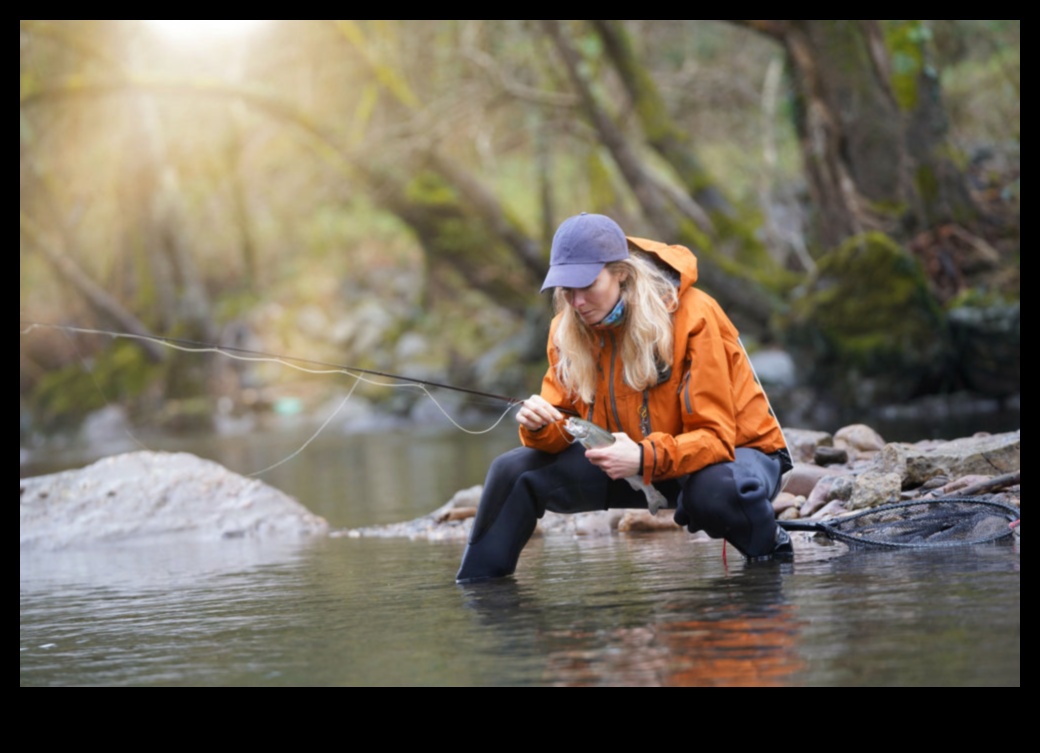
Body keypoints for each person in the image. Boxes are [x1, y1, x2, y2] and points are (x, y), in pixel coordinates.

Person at [456, 213, 793, 583]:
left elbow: (716, 438)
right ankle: (479, 591)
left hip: (733, 457)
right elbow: (563, 422)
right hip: (635, 465)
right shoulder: (566, 328)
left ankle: (772, 553)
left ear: (621, 272)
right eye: (566, 290)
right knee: (512, 472)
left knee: (715, 494)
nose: (577, 302)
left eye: (587, 285)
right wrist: (540, 426)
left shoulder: (695, 315)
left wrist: (644, 457)